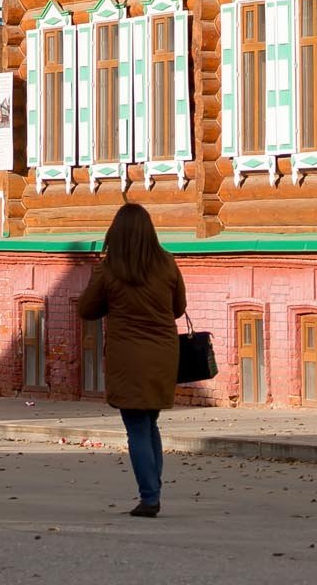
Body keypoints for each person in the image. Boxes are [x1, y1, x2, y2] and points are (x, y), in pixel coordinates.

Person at [76, 202, 186, 517]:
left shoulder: (111, 268)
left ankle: (150, 497)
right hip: (163, 353)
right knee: (149, 423)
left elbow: (86, 309)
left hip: (127, 356)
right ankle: (153, 490)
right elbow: (178, 308)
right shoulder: (167, 263)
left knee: (137, 426)